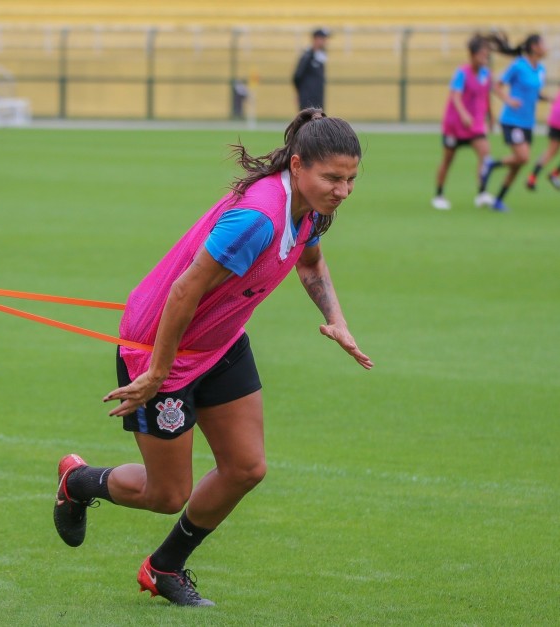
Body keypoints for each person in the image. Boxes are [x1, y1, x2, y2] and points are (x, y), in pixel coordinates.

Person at [53, 109, 373, 607]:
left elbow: (310, 261)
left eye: (351, 179)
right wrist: (158, 372)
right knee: (166, 495)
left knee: (246, 468)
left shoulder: (310, 209)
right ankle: (78, 482)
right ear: (296, 166)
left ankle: (164, 568)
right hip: (162, 348)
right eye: (332, 177)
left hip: (220, 343)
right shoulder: (257, 220)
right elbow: (184, 292)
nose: (342, 190)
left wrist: (337, 319)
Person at [432, 35, 511, 210]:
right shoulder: (462, 73)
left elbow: (486, 96)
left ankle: (482, 193)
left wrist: (491, 117)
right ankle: (439, 195)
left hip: (474, 126)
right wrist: (464, 115)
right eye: (482, 54)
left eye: (487, 54)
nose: (486, 58)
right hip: (455, 125)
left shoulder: (486, 74)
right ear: (473, 55)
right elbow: (456, 97)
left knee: (485, 153)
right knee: (448, 160)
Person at [478, 33, 547, 212]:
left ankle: (498, 200)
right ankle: (491, 165)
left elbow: (533, 93)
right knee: (523, 157)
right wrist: (508, 100)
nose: (546, 47)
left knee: (518, 165)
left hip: (528, 122)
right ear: (534, 47)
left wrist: (548, 98)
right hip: (512, 120)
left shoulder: (540, 69)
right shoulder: (518, 65)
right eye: (542, 44)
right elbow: (496, 86)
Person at [525, 87, 560, 191]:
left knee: (551, 151)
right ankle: (554, 174)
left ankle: (532, 177)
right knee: (551, 151)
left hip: (555, 118)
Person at [292, 28, 329, 111]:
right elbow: (297, 76)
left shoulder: (321, 56)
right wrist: (299, 93)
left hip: (318, 99)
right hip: (308, 100)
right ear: (316, 39)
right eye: (323, 39)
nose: (325, 42)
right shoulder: (307, 56)